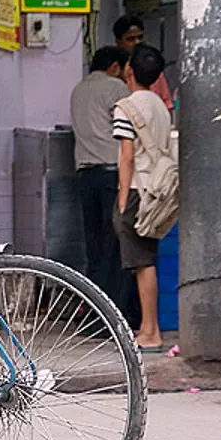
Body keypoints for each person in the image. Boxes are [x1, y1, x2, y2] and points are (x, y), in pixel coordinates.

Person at [70, 46, 138, 323]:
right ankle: (116, 316)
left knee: (95, 249)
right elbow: (131, 128)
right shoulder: (115, 88)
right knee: (117, 248)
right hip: (113, 175)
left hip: (86, 176)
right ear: (114, 67)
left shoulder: (78, 89)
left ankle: (92, 317)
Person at [112, 45, 171, 353]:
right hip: (158, 190)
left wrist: (122, 199)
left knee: (142, 263)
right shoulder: (161, 106)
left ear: (129, 71)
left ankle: (150, 332)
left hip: (138, 191)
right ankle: (151, 328)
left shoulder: (127, 106)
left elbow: (127, 156)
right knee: (147, 260)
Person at [114, 15, 172, 110]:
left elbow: (166, 103)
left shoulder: (153, 67)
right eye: (131, 39)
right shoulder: (115, 70)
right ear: (119, 42)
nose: (137, 42)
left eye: (140, 37)